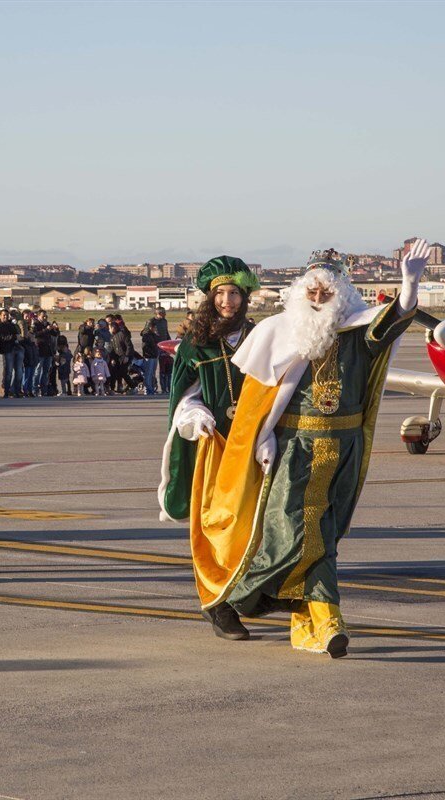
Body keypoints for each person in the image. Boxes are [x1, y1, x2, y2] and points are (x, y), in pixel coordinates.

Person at [183, 242, 431, 658]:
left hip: (344, 449)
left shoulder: (356, 331)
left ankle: (287, 615)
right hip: (296, 450)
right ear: (300, 292)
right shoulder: (278, 332)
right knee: (306, 534)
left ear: (342, 295)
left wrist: (410, 284)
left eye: (326, 291)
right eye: (312, 291)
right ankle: (324, 621)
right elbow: (257, 404)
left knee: (321, 535)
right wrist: (263, 437)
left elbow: (391, 323)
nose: (318, 298)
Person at [156, 256, 260, 639]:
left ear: (245, 297)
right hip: (215, 447)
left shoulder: (259, 338)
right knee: (216, 528)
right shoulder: (196, 345)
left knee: (255, 526)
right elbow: (184, 397)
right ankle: (217, 604)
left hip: (256, 446)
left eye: (234, 293)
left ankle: (248, 594)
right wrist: (196, 415)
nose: (227, 301)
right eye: (220, 294)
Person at [0, 310, 20, 398]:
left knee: (19, 371)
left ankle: (16, 391)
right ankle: (6, 391)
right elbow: (2, 338)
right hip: (6, 350)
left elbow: (18, 334)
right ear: (0, 316)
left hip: (15, 348)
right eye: (4, 315)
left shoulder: (12, 325)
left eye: (7, 315)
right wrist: (13, 337)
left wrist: (15, 335)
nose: (5, 317)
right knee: (8, 371)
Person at [139, 319, 160, 395]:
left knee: (152, 374)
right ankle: (147, 389)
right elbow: (145, 347)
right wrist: (150, 353)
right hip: (149, 356)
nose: (155, 328)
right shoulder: (146, 335)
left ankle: (151, 388)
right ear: (150, 326)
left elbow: (157, 341)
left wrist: (156, 334)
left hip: (154, 356)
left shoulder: (152, 334)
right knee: (148, 373)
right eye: (154, 327)